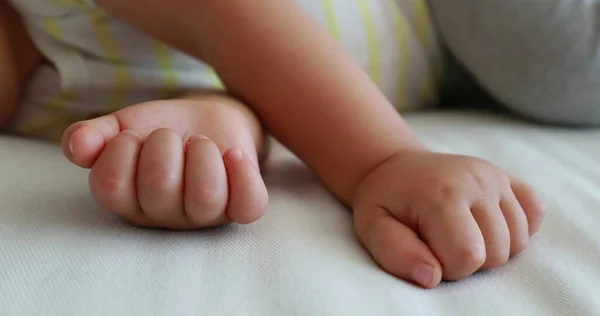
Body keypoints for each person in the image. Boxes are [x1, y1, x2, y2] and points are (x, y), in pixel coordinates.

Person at [0, 0, 547, 289]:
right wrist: (211, 139)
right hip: (449, 79)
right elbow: (239, 93)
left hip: (445, 12)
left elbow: (226, 17)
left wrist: (382, 159)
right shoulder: (41, 117)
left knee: (560, 71)